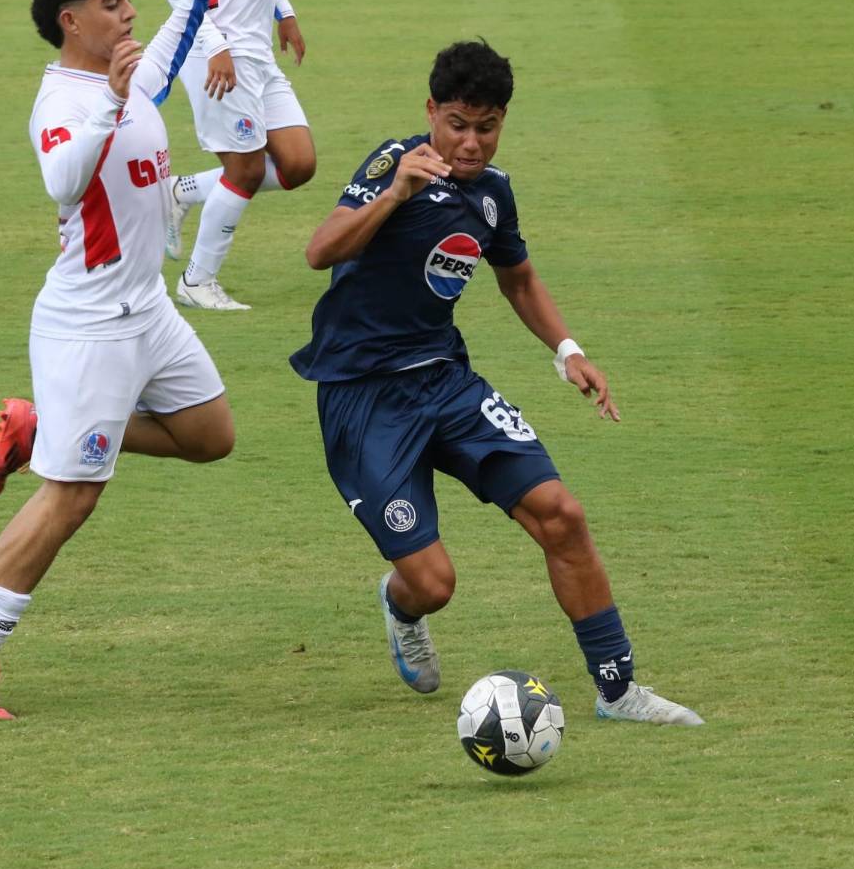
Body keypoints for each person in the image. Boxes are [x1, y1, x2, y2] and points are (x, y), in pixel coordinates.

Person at [290, 41, 703, 726]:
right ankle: (400, 603)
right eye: (457, 124)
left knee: (562, 515)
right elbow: (319, 250)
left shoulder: (492, 192)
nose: (471, 142)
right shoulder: (395, 164)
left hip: (446, 381)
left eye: (487, 126)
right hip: (363, 396)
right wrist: (395, 195)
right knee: (434, 583)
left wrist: (567, 349)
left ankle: (619, 690)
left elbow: (517, 274)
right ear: (431, 112)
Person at [0, 0, 236, 720]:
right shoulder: (65, 99)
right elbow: (62, 179)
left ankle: (45, 430)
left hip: (148, 310)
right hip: (90, 325)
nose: (129, 11)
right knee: (72, 498)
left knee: (210, 433)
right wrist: (112, 95)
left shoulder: (122, 73)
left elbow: (159, 62)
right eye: (112, 2)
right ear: (72, 20)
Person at [161, 0, 315, 312]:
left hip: (256, 52)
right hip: (215, 53)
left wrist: (284, 12)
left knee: (298, 165)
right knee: (246, 169)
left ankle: (181, 191)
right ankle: (196, 282)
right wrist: (218, 45)